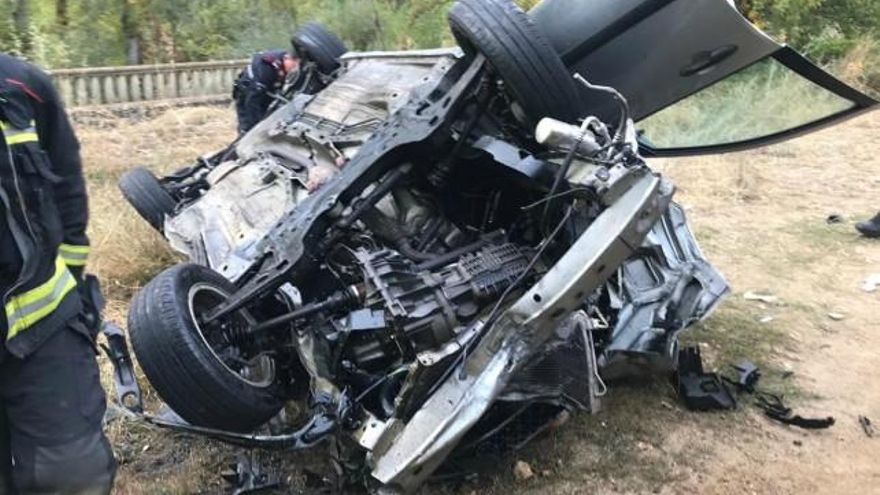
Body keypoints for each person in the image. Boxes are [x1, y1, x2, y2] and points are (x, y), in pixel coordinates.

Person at [0, 53, 116, 494]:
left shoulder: (23, 86)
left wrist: (68, 280)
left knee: (73, 471)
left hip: (43, 324)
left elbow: (66, 183)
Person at [233, 50, 299, 134]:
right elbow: (252, 102)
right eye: (293, 65)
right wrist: (257, 128)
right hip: (249, 93)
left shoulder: (281, 63)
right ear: (287, 58)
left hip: (264, 94)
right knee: (248, 126)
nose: (293, 68)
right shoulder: (266, 66)